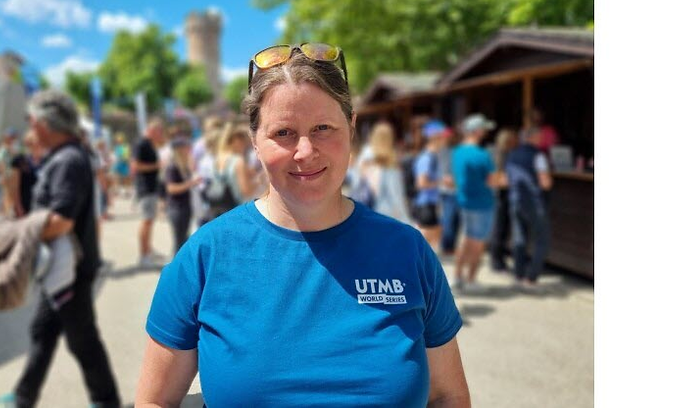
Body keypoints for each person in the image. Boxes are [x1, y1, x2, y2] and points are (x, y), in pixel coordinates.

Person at [137, 45, 469, 407]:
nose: (305, 151)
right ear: (254, 142)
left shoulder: (407, 250)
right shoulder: (206, 255)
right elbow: (155, 401)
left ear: (352, 128)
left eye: (323, 128)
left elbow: (447, 396)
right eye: (283, 133)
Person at [0, 89, 120, 408]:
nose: (30, 126)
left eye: (32, 120)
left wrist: (19, 235)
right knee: (43, 330)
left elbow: (62, 221)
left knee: (82, 340)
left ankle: (105, 401)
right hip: (61, 266)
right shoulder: (65, 157)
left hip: (70, 270)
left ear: (44, 123)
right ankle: (24, 396)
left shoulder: (68, 160)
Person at [451, 114, 502, 292]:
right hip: (483, 202)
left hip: (464, 200)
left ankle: (457, 277)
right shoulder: (482, 155)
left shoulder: (457, 152)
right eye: (484, 129)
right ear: (477, 131)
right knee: (478, 243)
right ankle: (471, 280)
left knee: (465, 239)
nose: (486, 132)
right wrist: (504, 179)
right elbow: (493, 181)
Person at [506, 127, 554, 289]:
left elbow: (507, 178)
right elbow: (545, 182)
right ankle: (531, 278)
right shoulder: (538, 156)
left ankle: (518, 275)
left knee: (519, 239)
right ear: (532, 137)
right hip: (534, 203)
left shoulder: (512, 154)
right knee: (542, 239)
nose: (541, 140)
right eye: (539, 137)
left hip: (515, 200)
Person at [202, 123, 255, 222]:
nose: (245, 146)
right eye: (243, 141)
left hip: (218, 210)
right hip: (236, 210)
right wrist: (259, 181)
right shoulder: (238, 160)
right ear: (235, 140)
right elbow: (246, 191)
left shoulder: (218, 158)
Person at [359, 121, 411, 223]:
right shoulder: (389, 167)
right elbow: (397, 199)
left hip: (370, 217)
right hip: (388, 217)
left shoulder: (366, 163)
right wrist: (409, 224)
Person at [132, 118, 166, 267]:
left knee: (149, 221)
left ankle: (148, 250)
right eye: (159, 132)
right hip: (145, 188)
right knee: (146, 221)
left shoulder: (149, 144)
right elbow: (136, 165)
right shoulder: (141, 143)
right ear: (152, 131)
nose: (161, 135)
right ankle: (143, 255)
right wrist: (157, 165)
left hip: (150, 187)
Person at [164, 137, 203, 253]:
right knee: (179, 242)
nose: (188, 149)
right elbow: (171, 188)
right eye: (185, 147)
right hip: (177, 208)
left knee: (184, 239)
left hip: (185, 206)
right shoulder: (173, 167)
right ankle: (176, 268)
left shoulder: (183, 166)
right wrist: (191, 183)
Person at [413, 120, 447, 249]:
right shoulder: (427, 158)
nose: (445, 140)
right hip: (425, 203)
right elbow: (421, 183)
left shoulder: (433, 156)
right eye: (443, 137)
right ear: (435, 138)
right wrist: (441, 182)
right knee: (424, 243)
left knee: (432, 241)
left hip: (431, 203)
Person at [488, 129, 518, 272]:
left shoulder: (495, 152)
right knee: (500, 228)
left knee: (500, 228)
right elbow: (498, 179)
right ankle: (497, 261)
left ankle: (498, 259)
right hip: (500, 195)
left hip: (498, 196)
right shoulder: (502, 154)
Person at [8, 130, 43, 217]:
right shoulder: (20, 160)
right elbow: (14, 186)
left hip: (44, 207)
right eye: (33, 142)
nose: (37, 144)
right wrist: (18, 206)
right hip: (25, 205)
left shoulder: (50, 159)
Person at [437, 127, 461, 256]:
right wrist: (445, 178)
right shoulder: (442, 151)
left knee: (455, 220)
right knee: (448, 219)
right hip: (447, 190)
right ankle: (447, 247)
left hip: (457, 189)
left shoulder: (456, 150)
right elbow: (440, 171)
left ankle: (451, 246)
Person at [95, 139, 114, 221]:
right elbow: (101, 167)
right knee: (103, 195)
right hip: (101, 176)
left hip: (103, 175)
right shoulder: (97, 154)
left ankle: (104, 213)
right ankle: (103, 214)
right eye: (103, 145)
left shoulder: (100, 153)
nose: (105, 147)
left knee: (104, 195)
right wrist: (108, 163)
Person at [112, 132, 131, 198]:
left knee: (125, 178)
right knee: (116, 178)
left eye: (120, 140)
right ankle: (117, 191)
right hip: (117, 164)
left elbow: (126, 156)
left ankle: (126, 191)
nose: (118, 141)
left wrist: (124, 159)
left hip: (124, 163)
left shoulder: (125, 146)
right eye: (118, 140)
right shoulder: (116, 147)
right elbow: (115, 156)